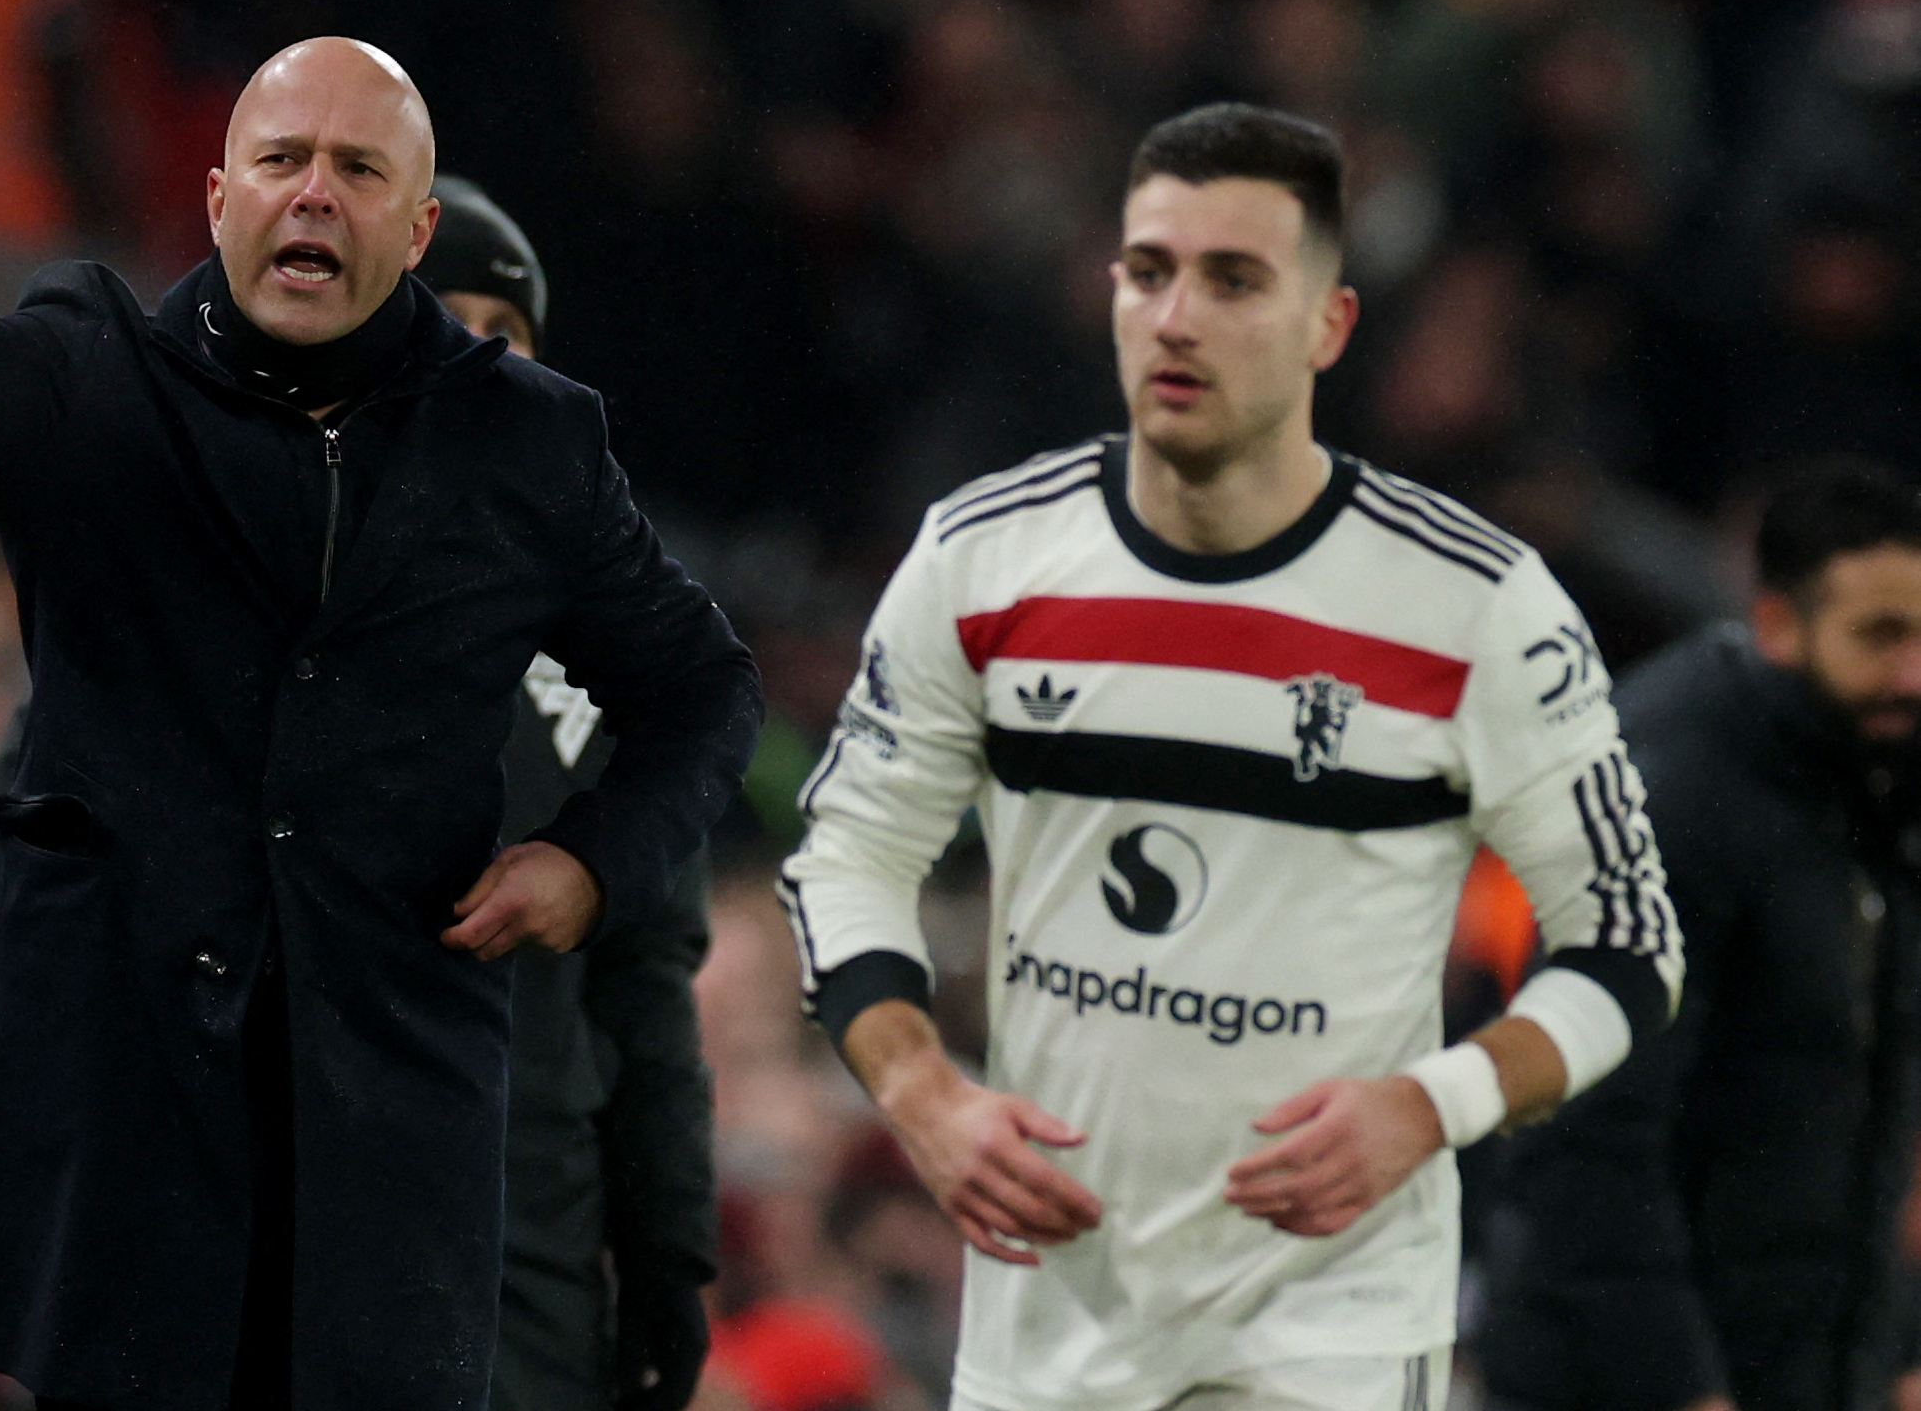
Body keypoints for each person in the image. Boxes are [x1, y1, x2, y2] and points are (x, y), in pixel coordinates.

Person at [0, 0, 761, 1411]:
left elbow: (699, 693)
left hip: (386, 1138)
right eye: (284, 160)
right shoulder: (91, 378)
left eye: (360, 171)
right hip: (124, 1113)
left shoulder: (526, 443)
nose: (317, 193)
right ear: (218, 191)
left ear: (417, 231)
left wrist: (588, 862)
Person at [776, 102, 1684, 1411]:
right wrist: (918, 1089)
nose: (1174, 316)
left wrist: (1432, 1104)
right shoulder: (981, 562)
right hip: (1048, 1325)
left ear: (1330, 325)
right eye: (1147, 272)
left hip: (1329, 1329)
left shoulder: (1476, 606)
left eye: (1232, 278)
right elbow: (847, 851)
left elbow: (1624, 941)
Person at [0, 177, 718, 1411]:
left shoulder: (614, 673)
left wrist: (669, 1258)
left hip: (518, 1279)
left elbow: (648, 996)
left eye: (497, 346)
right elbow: (3, 881)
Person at [1480, 461, 1921, 1411]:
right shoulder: (1671, 802)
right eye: (1881, 637)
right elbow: (1584, 1142)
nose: (1914, 674)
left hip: (1800, 1366)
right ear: (1777, 628)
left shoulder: (1874, 782)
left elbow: (1867, 1116)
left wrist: (1892, 1348)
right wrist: (1676, 1386)